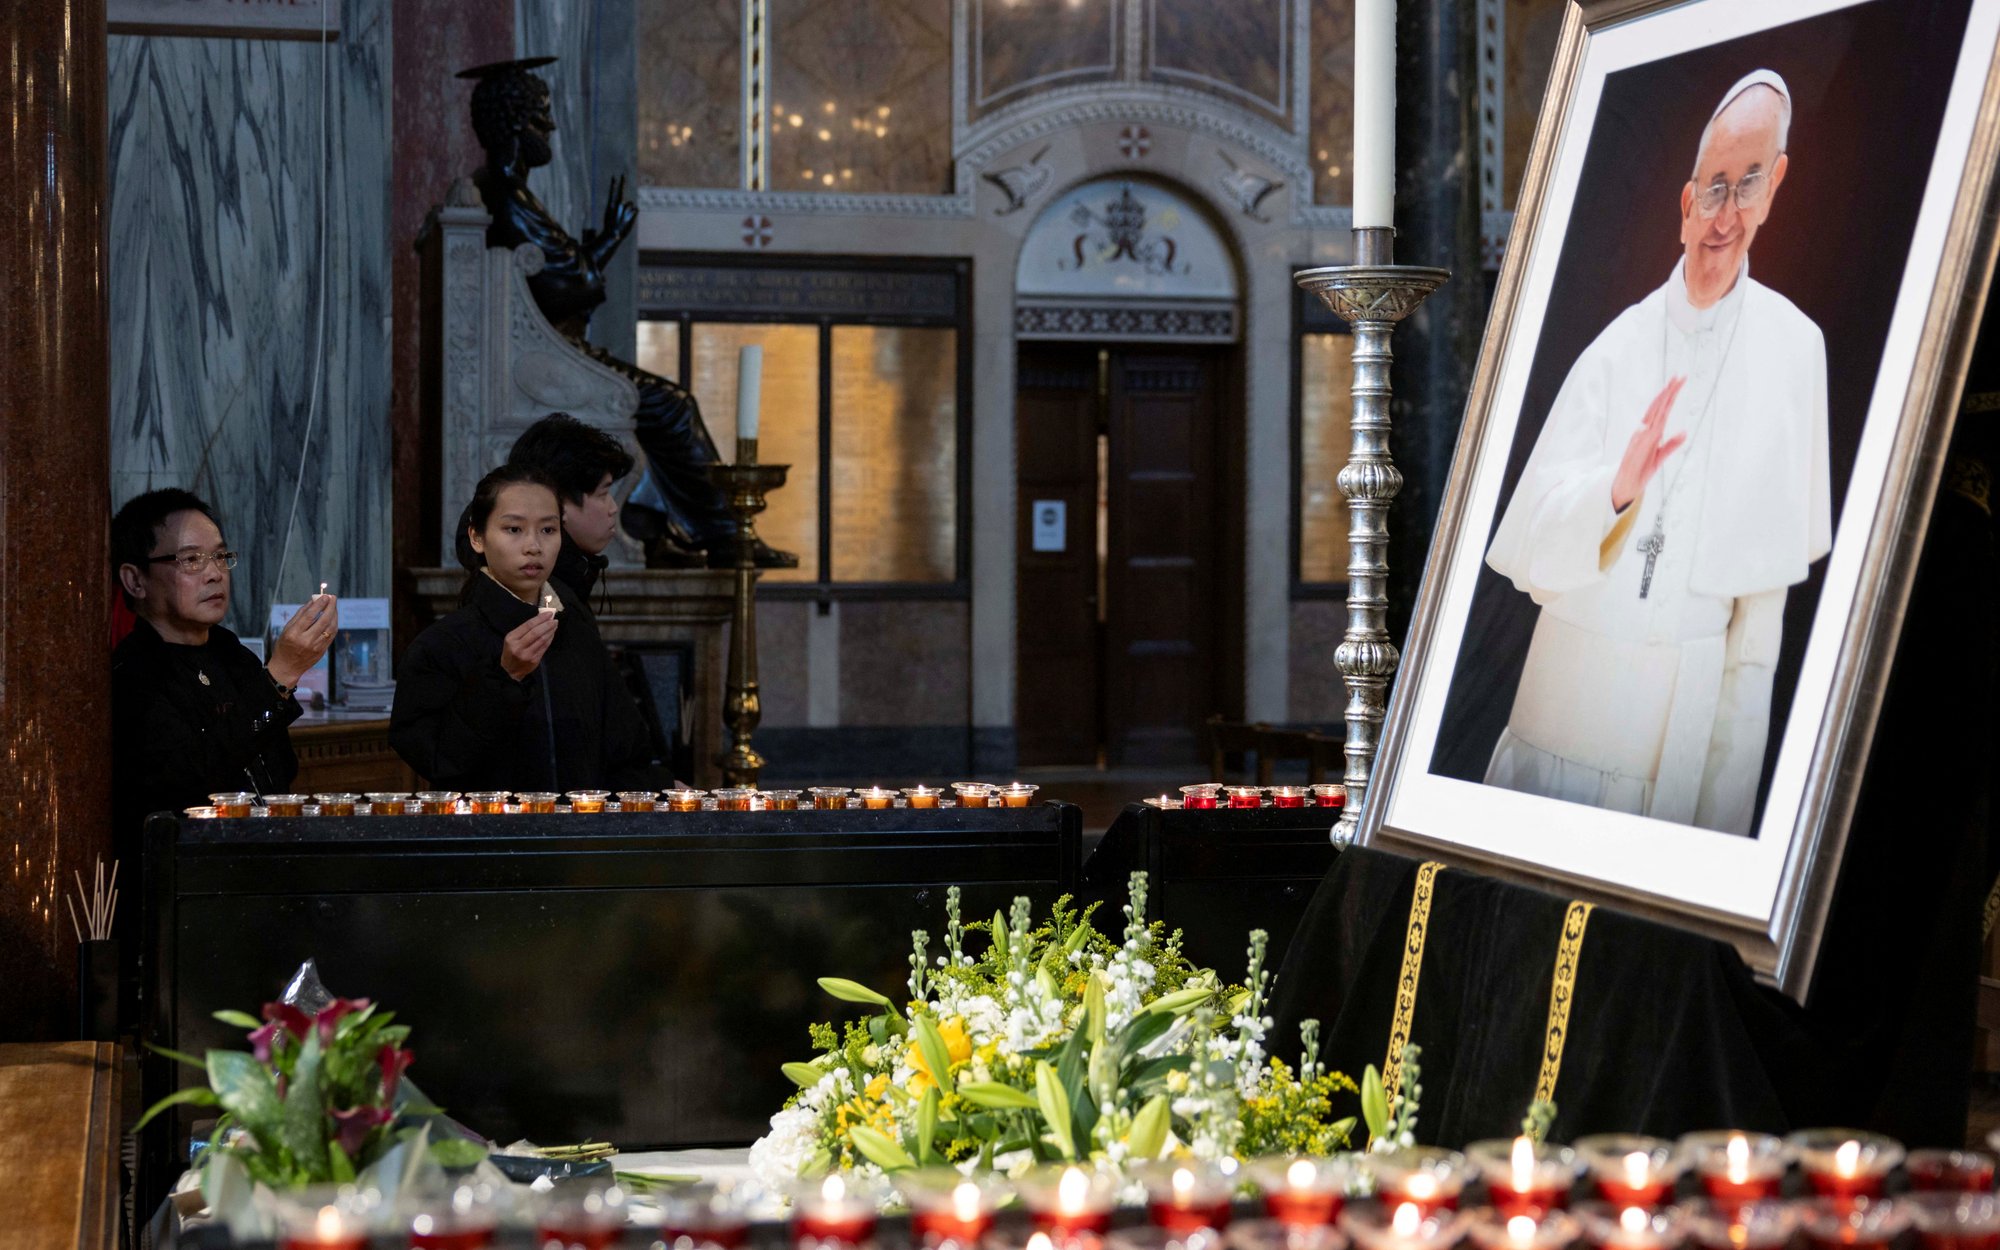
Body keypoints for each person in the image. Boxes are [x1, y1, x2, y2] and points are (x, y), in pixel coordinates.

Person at [1482, 69, 1832, 835]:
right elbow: (1531, 541)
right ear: (1684, 203)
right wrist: (1617, 489)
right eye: (1712, 187)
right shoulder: (1618, 348)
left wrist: (1726, 825)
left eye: (1747, 185)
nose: (1725, 214)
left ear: (1774, 186)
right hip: (1565, 723)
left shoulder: (1794, 350)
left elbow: (1757, 629)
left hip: (1683, 746)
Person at [459, 56, 794, 570]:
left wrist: (593, 252)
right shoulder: (506, 196)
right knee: (671, 406)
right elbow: (571, 284)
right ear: (517, 119)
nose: (549, 125)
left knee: (660, 409)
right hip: (547, 360)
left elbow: (563, 273)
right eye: (542, 113)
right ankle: (726, 535)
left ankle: (654, 525)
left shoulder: (513, 194)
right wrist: (610, 240)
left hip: (552, 352)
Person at [390, 464, 662, 791]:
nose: (533, 546)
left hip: (578, 835)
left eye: (548, 530)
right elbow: (440, 761)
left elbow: (626, 751)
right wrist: (504, 677)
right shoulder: (441, 645)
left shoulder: (575, 632)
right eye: (514, 530)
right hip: (490, 836)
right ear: (477, 537)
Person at [110, 488, 338, 851]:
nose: (215, 574)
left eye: (220, 556)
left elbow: (278, 773)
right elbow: (192, 783)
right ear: (135, 580)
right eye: (191, 560)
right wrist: (280, 675)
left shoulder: (232, 656)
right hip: (187, 871)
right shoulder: (131, 673)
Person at [505, 411, 634, 614]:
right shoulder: (543, 604)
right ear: (557, 504)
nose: (613, 508)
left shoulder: (559, 583)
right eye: (603, 494)